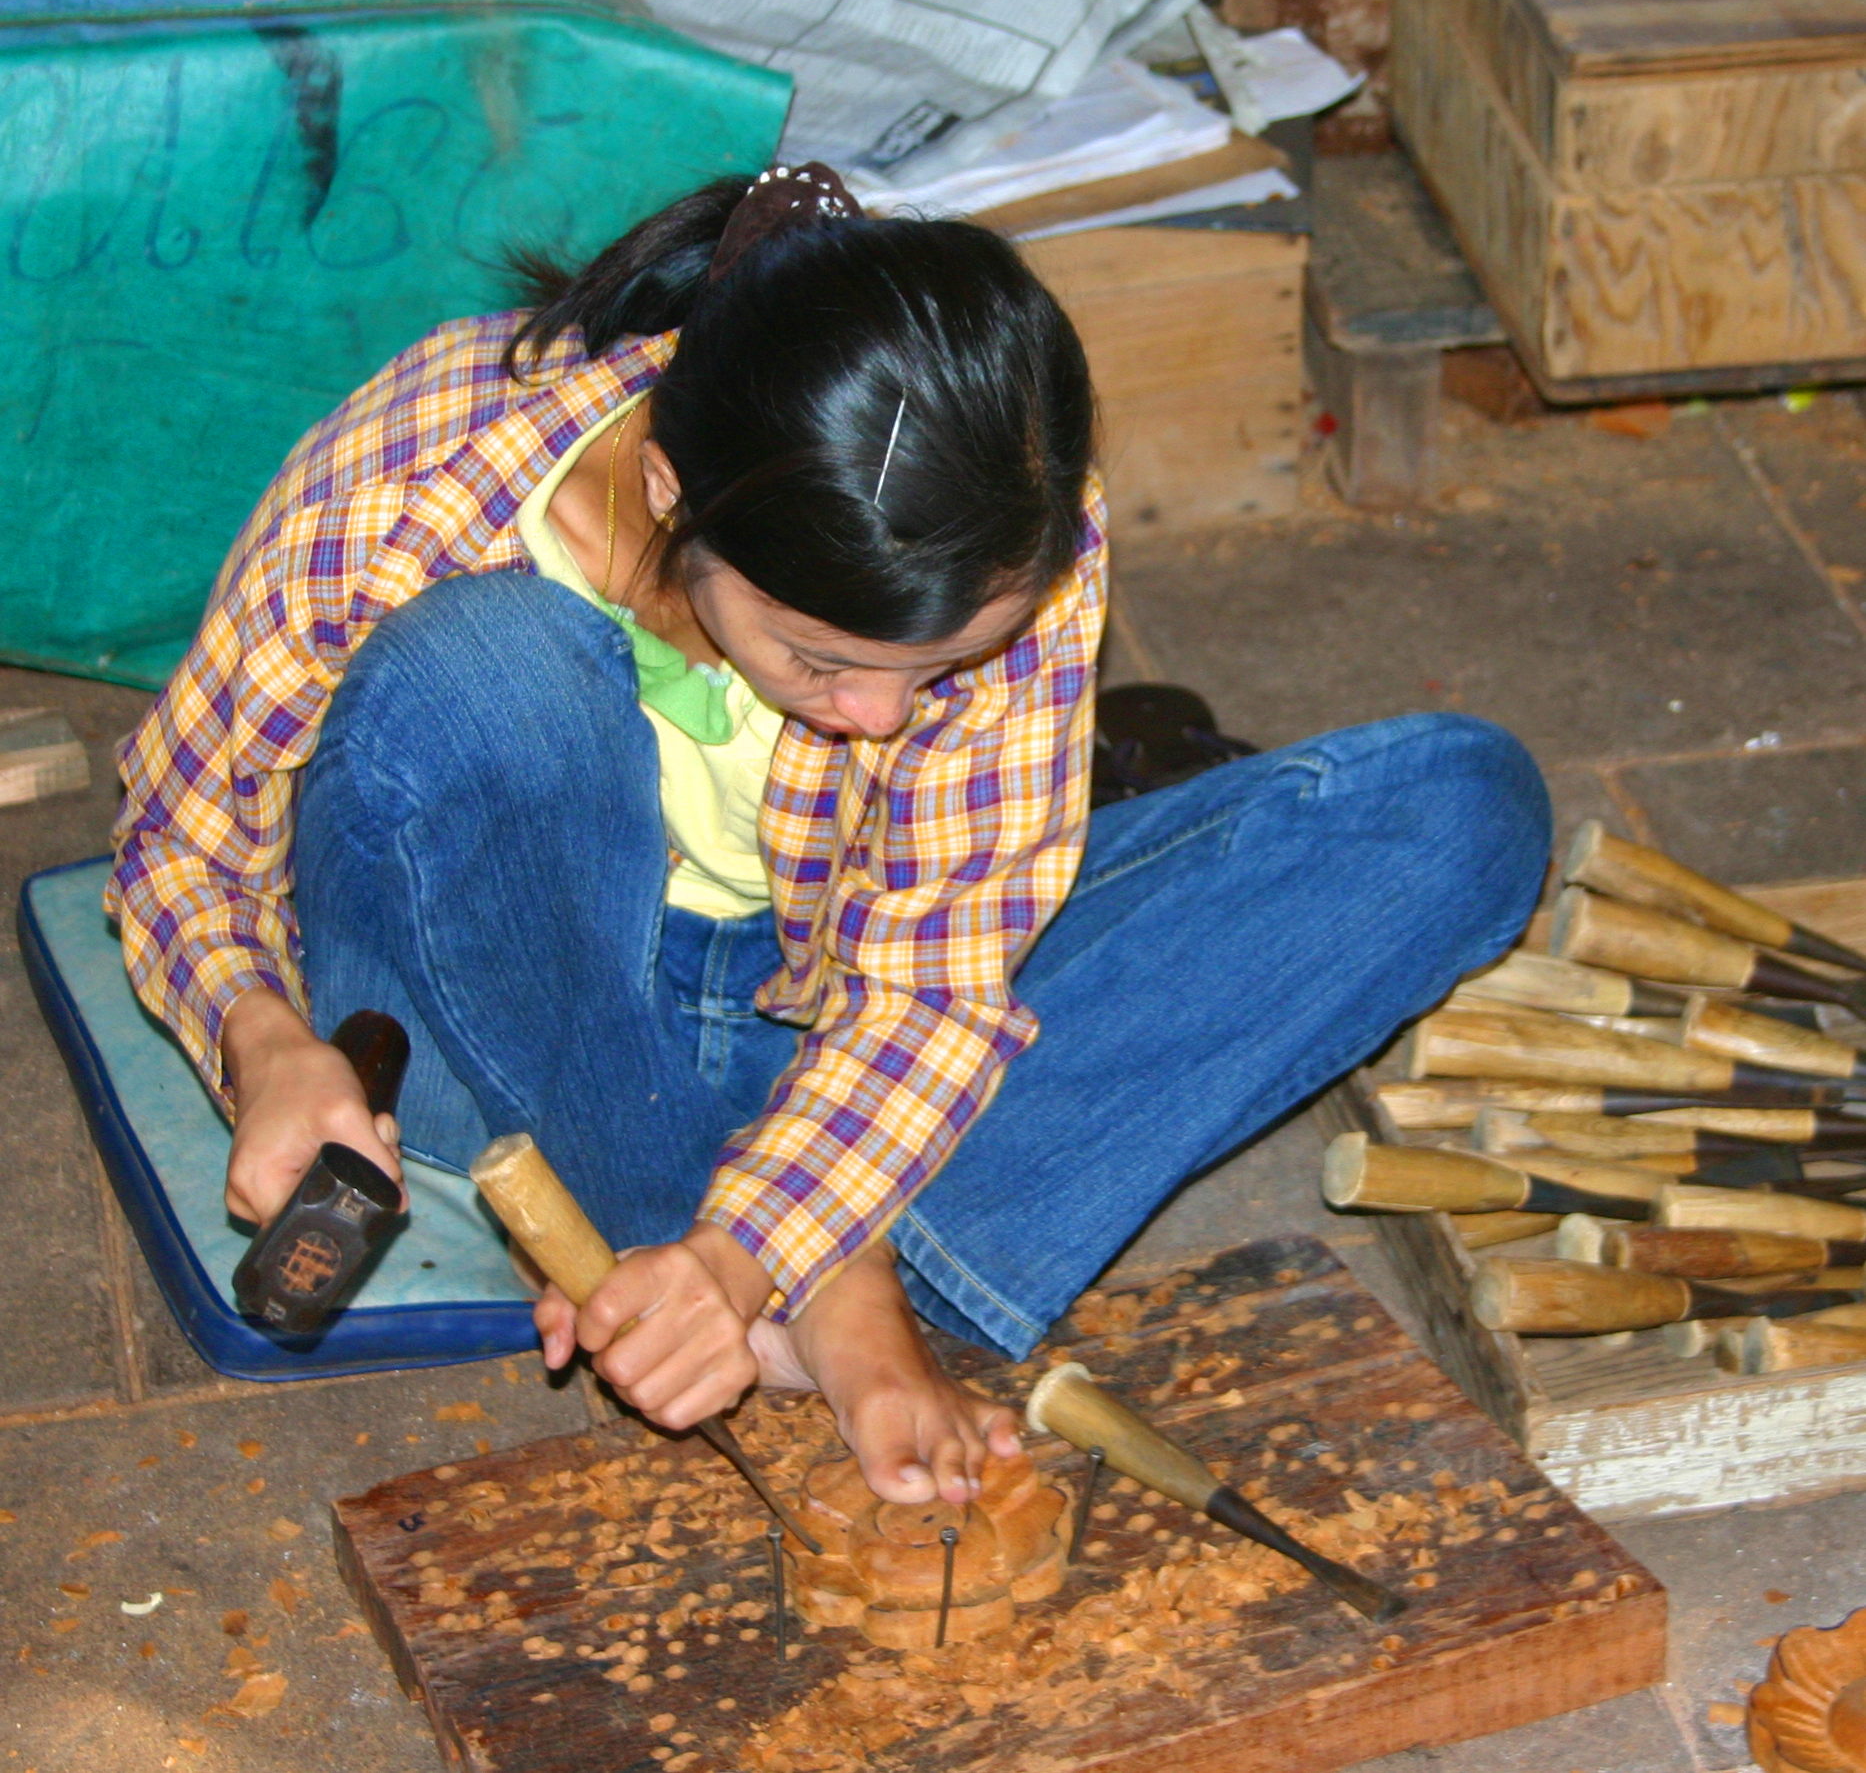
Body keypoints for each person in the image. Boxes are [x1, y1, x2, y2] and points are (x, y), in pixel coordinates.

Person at [110, 163, 1550, 1514]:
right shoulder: (419, 468)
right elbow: (180, 829)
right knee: (491, 673)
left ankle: (740, 1240)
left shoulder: (1006, 515)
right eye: (817, 660)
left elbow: (926, 979)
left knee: (1455, 811)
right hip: (504, 983)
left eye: (930, 670)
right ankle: (833, 1256)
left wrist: (745, 1243)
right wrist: (264, 1040)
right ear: (672, 496)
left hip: (805, 988)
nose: (878, 717)